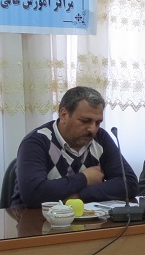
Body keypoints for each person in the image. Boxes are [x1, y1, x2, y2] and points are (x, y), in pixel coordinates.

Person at [10, 85, 138, 208]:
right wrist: (85, 178)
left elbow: (129, 184)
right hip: (33, 219)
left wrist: (79, 197)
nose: (93, 129)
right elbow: (34, 193)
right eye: (85, 121)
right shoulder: (37, 142)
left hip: (87, 218)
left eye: (98, 122)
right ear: (64, 115)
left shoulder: (100, 138)